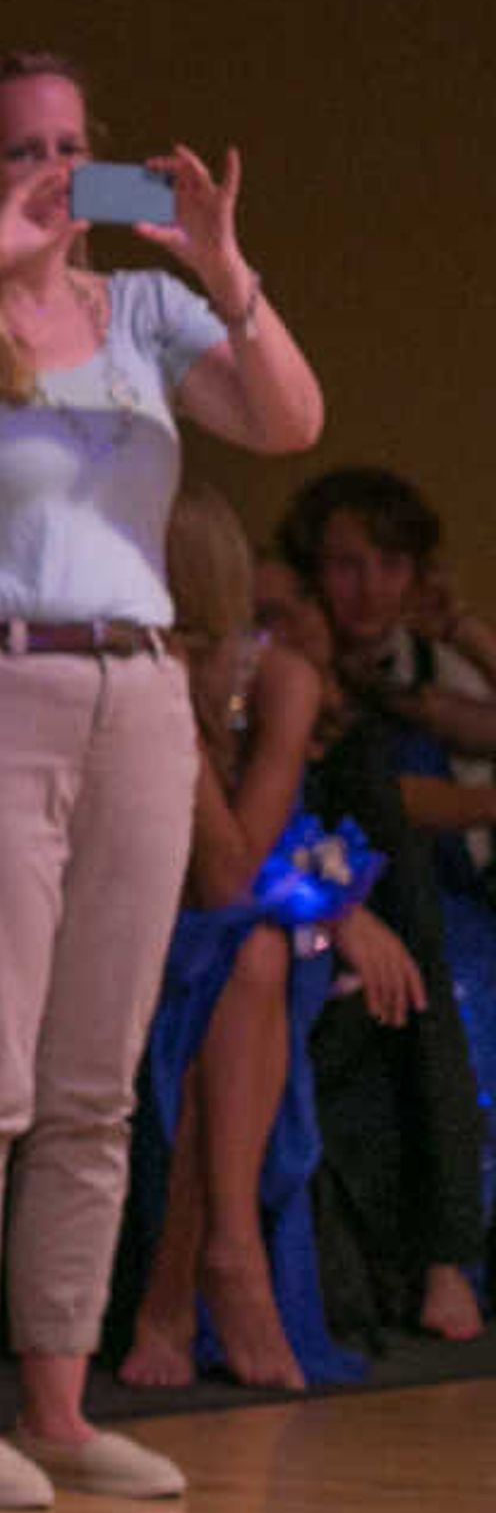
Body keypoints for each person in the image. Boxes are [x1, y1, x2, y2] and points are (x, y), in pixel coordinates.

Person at [0, 47, 324, 1511]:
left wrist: (226, 270)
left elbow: (290, 418)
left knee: (96, 1082)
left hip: (141, 688)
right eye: (21, 147)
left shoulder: (149, 313)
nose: (53, 169)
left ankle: (59, 1395)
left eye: (71, 146)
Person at [118, 486, 414, 1391]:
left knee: (251, 956)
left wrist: (191, 743)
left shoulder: (281, 679)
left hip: (235, 926)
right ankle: (221, 1263)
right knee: (246, 963)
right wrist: (168, 705)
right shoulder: (123, 680)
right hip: (130, 925)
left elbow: (232, 875)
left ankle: (195, 1281)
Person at [275, 465, 493, 1342]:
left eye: (389, 565)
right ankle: (444, 1254)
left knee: (445, 964)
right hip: (335, 889)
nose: (368, 590)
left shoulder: (425, 672)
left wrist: (468, 631)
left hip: (430, 896)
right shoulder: (296, 670)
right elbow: (388, 805)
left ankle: (451, 1250)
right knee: (444, 981)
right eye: (346, 566)